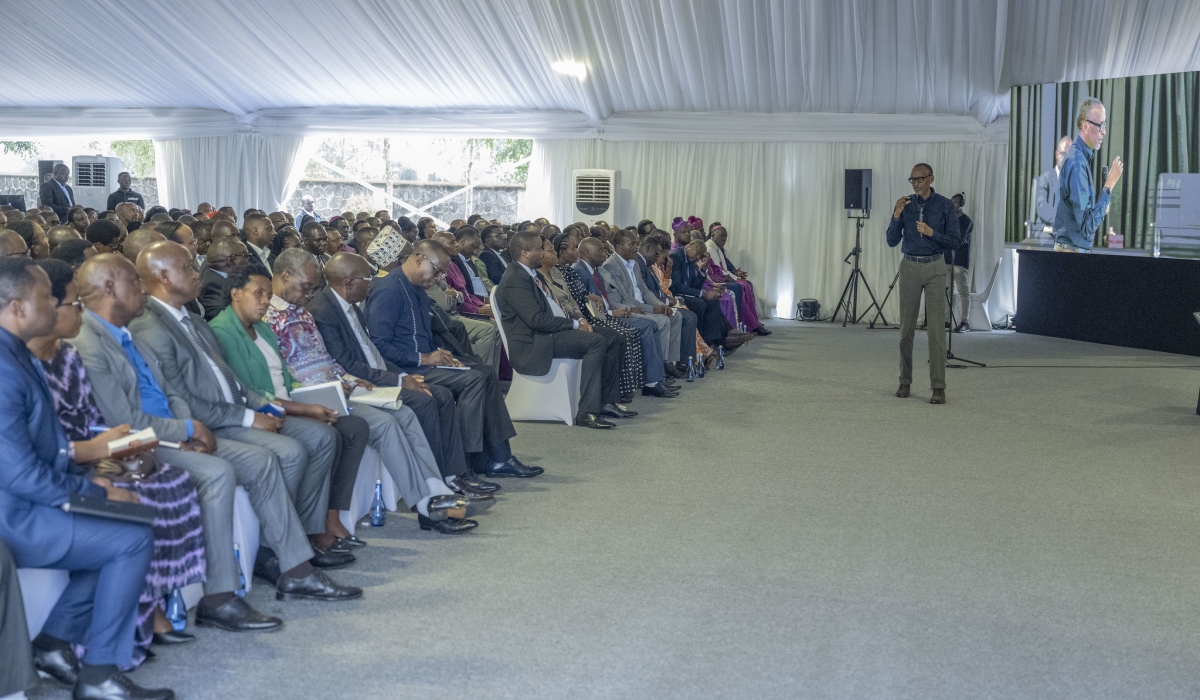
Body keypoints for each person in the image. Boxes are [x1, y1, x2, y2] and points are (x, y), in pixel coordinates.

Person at [71, 254, 360, 622]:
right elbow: (125, 422)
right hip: (143, 442)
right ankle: (219, 596)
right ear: (110, 288)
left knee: (279, 454)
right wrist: (187, 430)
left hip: (180, 429)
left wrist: (191, 425)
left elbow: (171, 392)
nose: (141, 287)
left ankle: (292, 568)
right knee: (226, 470)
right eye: (134, 281)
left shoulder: (135, 331)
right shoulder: (99, 340)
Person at [0, 257, 174, 700]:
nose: (57, 303)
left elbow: (42, 449)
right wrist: (91, 489)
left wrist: (95, 484)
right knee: (130, 537)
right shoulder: (3, 367)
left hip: (25, 499)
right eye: (48, 298)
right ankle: (98, 675)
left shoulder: (13, 352)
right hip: (13, 514)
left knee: (131, 519)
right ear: (18, 307)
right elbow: (17, 471)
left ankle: (55, 642)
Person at [29, 259, 206, 664]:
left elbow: (92, 420)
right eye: (75, 304)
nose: (81, 311)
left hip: (88, 456)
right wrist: (99, 462)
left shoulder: (66, 357)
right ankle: (116, 637)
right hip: (64, 469)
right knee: (132, 498)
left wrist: (119, 451)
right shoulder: (25, 364)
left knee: (166, 476)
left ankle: (153, 607)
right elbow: (42, 449)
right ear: (44, 310)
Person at [129, 241, 349, 557]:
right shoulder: (150, 328)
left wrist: (264, 407)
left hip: (235, 410)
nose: (197, 274)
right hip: (213, 422)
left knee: (323, 437)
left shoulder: (194, 321)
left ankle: (305, 530)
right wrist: (249, 417)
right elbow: (184, 398)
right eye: (189, 267)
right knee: (289, 451)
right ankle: (274, 549)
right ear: (164, 277)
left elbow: (237, 384)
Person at [260, 248, 483, 533]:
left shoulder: (301, 313)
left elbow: (327, 361)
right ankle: (427, 505)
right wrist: (342, 383)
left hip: (340, 386)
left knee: (405, 416)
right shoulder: (270, 318)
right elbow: (286, 372)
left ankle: (437, 489)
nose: (310, 294)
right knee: (389, 422)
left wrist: (349, 379)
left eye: (314, 288)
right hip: (314, 395)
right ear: (285, 276)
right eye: (307, 287)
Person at [206, 264, 372, 549]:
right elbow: (249, 391)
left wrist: (318, 397)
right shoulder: (222, 331)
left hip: (288, 401)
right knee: (324, 436)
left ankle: (319, 521)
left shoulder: (262, 328)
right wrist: (306, 410)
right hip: (265, 410)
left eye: (268, 295)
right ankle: (304, 529)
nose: (265, 301)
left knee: (349, 426)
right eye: (258, 294)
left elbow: (286, 378)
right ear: (235, 294)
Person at [308, 252, 497, 496]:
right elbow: (348, 364)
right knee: (427, 398)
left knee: (441, 395)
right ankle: (433, 481)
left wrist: (402, 376)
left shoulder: (350, 306)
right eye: (368, 277)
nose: (372, 282)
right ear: (349, 282)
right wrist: (399, 379)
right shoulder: (323, 311)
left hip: (379, 374)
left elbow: (373, 355)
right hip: (359, 384)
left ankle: (451, 474)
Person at [366, 239, 543, 474]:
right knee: (473, 379)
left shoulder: (416, 287)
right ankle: (465, 465)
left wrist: (445, 357)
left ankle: (499, 457)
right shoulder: (389, 290)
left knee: (485, 373)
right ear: (420, 259)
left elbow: (424, 334)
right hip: (405, 369)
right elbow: (378, 345)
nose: (438, 278)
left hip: (422, 362)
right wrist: (425, 359)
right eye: (437, 270)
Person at [495, 232, 628, 429]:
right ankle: (587, 412)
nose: (543, 253)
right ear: (524, 253)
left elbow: (556, 307)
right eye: (539, 249)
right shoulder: (515, 278)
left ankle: (606, 402)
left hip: (551, 332)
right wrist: (575, 325)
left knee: (613, 337)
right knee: (596, 341)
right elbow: (536, 320)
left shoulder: (531, 273)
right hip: (536, 342)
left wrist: (579, 320)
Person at [886, 163, 962, 405]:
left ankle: (938, 387)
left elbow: (955, 241)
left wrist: (931, 233)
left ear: (931, 179)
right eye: (912, 180)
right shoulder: (905, 204)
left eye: (920, 179)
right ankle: (904, 381)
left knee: (936, 331)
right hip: (909, 266)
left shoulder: (944, 205)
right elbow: (891, 240)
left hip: (935, 268)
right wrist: (896, 216)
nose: (916, 183)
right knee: (906, 329)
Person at [598, 231, 687, 380]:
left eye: (636, 243)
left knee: (674, 315)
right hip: (629, 308)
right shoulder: (611, 266)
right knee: (662, 320)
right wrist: (653, 309)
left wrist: (660, 305)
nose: (636, 247)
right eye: (632, 244)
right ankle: (658, 369)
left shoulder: (634, 264)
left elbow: (645, 291)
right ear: (619, 247)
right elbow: (625, 298)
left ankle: (668, 363)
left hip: (642, 305)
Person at [1053, 97, 1125, 252]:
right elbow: (1087, 228)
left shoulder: (1080, 158)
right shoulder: (1077, 162)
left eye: (1105, 124)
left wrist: (1101, 207)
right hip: (1070, 253)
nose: (1104, 131)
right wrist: (1109, 185)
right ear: (1085, 126)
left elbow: (1084, 218)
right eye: (1101, 125)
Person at [705, 224, 769, 335]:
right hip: (715, 280)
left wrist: (736, 277)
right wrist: (732, 278)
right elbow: (717, 271)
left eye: (726, 236)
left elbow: (724, 269)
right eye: (722, 236)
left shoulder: (718, 249)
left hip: (723, 277)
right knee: (739, 287)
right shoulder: (709, 247)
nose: (724, 239)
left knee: (747, 284)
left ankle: (753, 322)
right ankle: (750, 324)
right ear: (713, 235)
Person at [1029, 136, 1072, 241]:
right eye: (1063, 155)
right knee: (1049, 242)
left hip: (1067, 231)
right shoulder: (1044, 179)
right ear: (1057, 154)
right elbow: (1043, 209)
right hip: (1046, 230)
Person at [199, 236, 250, 320]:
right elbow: (227, 320)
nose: (248, 262)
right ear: (232, 262)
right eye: (246, 256)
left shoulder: (223, 280)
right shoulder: (212, 288)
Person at [946, 193, 973, 332]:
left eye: (955, 203)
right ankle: (946, 320)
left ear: (961, 204)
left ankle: (964, 321)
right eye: (951, 203)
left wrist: (948, 239)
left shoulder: (967, 221)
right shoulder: (948, 219)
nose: (953, 205)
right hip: (946, 259)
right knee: (947, 291)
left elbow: (959, 239)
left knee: (963, 291)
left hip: (959, 260)